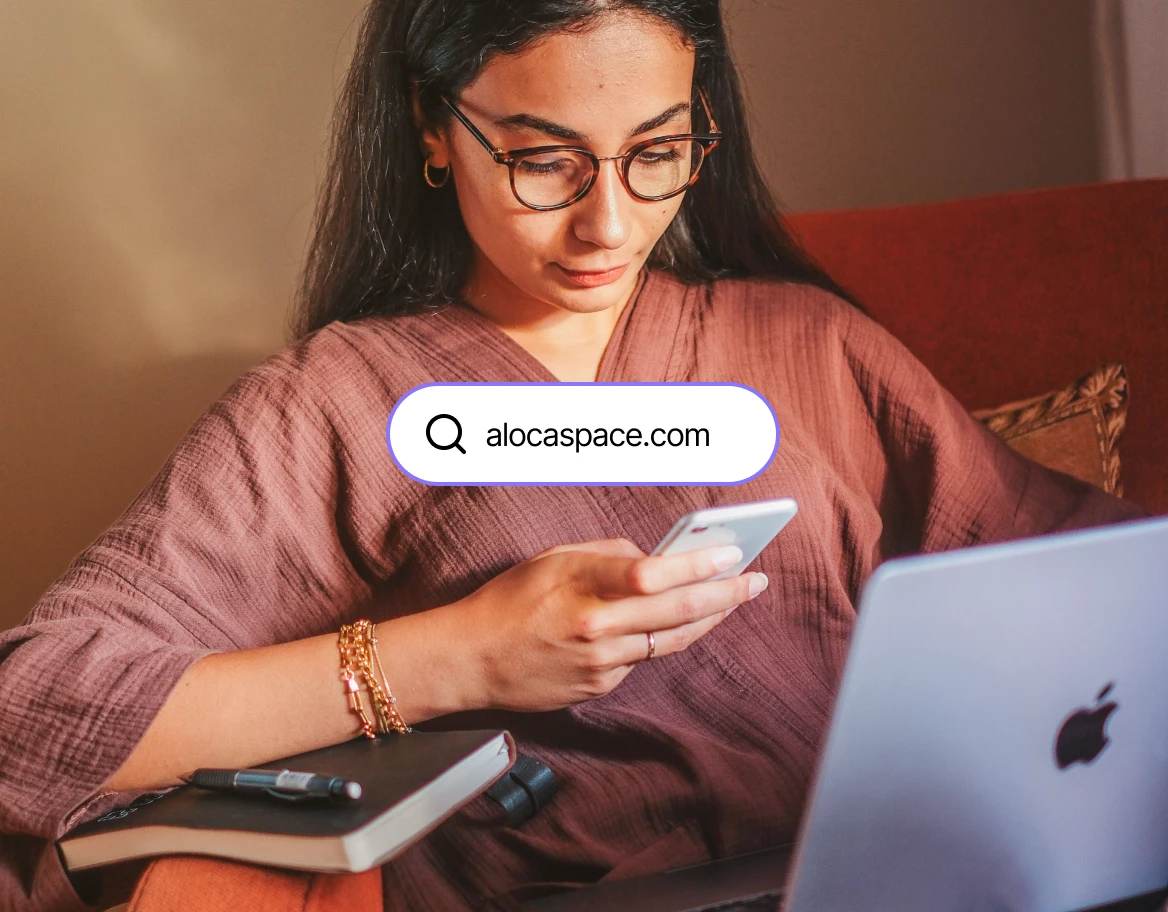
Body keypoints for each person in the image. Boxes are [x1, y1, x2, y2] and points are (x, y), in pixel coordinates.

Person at [0, 1, 1147, 910]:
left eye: (657, 151)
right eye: (544, 160)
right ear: (431, 129)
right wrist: (460, 656)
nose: (607, 223)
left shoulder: (808, 344)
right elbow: (36, 705)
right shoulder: (336, 406)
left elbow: (1084, 577)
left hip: (895, 874)